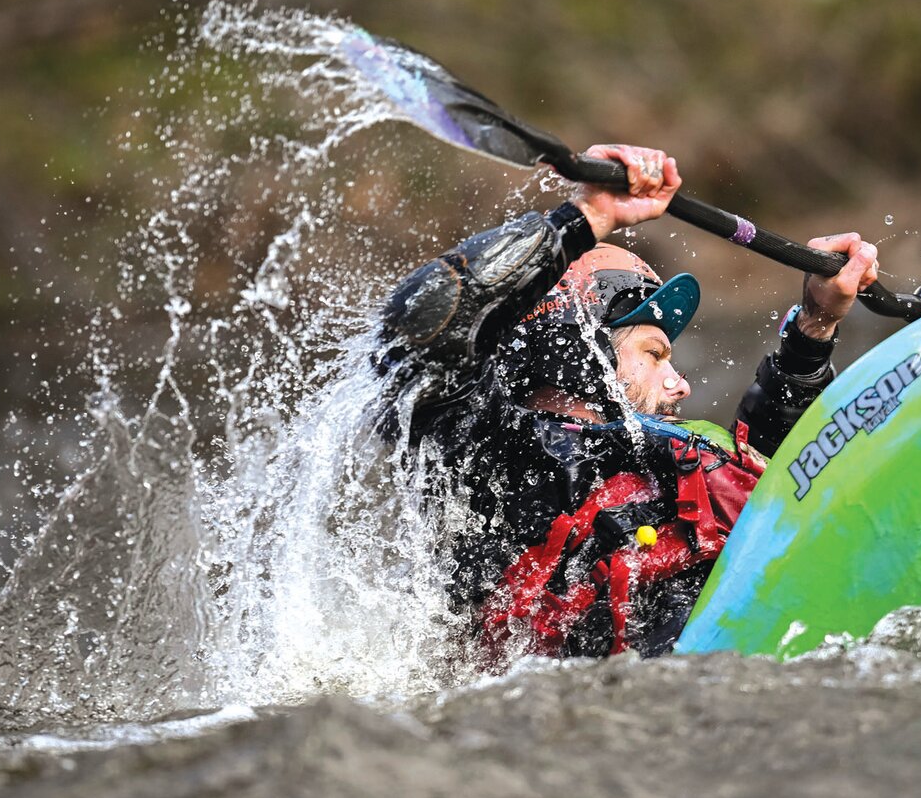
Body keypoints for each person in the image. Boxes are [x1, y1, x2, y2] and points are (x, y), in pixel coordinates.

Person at [373, 144, 878, 668]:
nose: (680, 385)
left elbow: (782, 471)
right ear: (577, 351)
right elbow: (420, 325)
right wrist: (584, 219)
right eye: (654, 355)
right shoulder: (487, 453)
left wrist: (813, 327)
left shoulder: (668, 457)